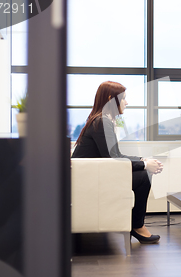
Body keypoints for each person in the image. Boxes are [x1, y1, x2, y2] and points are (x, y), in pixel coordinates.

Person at [72, 81, 164, 244]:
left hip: (91, 176)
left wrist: (143, 160)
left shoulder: (101, 120)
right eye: (123, 98)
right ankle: (137, 226)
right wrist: (144, 165)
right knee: (144, 177)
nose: (126, 102)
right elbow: (113, 160)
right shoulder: (102, 122)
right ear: (110, 99)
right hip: (88, 181)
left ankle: (136, 225)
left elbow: (116, 155)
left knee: (144, 172)